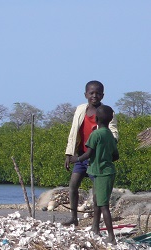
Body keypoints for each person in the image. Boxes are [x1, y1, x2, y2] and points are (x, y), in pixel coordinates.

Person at [63, 80, 118, 226]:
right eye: (91, 93)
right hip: (81, 154)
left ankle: (95, 225)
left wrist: (102, 135)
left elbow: (114, 134)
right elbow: (73, 132)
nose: (95, 96)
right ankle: (74, 218)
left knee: (97, 194)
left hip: (96, 159)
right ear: (85, 94)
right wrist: (69, 154)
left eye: (98, 93)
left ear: (103, 95)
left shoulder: (107, 112)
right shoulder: (80, 109)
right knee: (73, 185)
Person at [70, 105, 119, 245]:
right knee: (99, 202)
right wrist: (105, 158)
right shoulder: (110, 135)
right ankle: (96, 230)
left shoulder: (95, 134)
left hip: (101, 173)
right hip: (109, 171)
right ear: (110, 121)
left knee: (103, 206)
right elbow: (116, 155)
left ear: (96, 119)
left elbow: (88, 153)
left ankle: (111, 237)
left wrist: (76, 159)